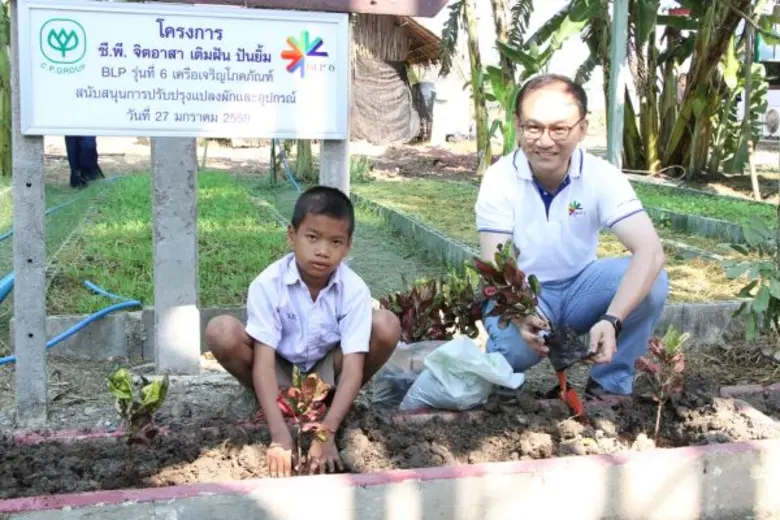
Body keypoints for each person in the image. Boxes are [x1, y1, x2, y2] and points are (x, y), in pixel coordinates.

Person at [475, 73, 669, 398]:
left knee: (654, 280)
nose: (545, 141)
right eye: (533, 127)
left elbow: (650, 251)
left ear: (582, 127)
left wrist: (613, 319)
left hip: (582, 289)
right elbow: (497, 265)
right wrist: (523, 313)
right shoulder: (500, 179)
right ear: (517, 126)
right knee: (516, 353)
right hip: (525, 294)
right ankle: (500, 388)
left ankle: (609, 385)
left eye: (559, 128)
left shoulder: (601, 176)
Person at [205, 185, 401, 477]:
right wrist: (280, 435)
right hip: (280, 370)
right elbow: (263, 363)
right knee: (220, 330)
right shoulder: (268, 284)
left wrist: (326, 435)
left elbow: (352, 368)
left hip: (327, 371)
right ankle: (278, 407)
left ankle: (331, 410)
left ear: (348, 246)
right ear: (292, 235)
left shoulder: (354, 290)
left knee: (386, 324)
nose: (323, 251)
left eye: (336, 242)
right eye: (312, 238)